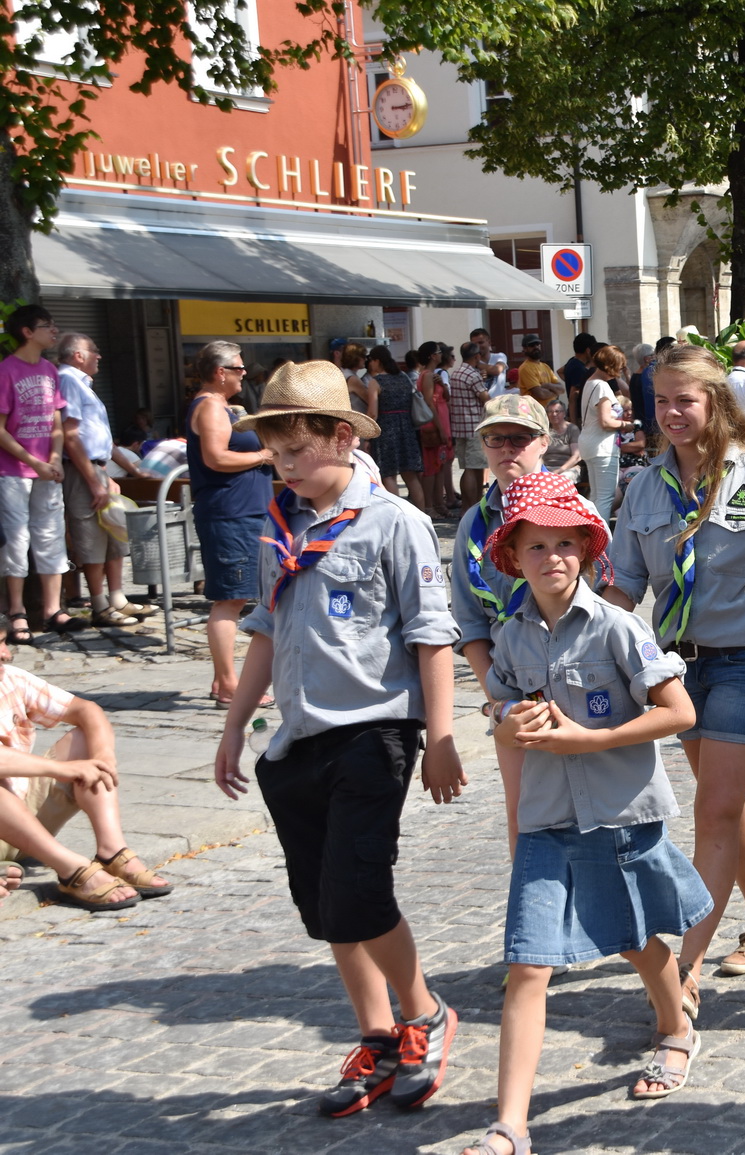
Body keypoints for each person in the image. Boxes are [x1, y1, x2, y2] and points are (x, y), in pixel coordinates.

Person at [214, 360, 463, 1119]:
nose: (282, 464)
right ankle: (377, 1035)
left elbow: (431, 635)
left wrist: (443, 734)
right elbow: (264, 628)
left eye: (294, 449)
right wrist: (233, 726)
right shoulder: (279, 525)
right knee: (325, 908)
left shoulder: (394, 521)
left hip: (374, 732)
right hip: (297, 739)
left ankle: (424, 1013)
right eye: (274, 451)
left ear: (337, 435)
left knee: (359, 891)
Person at [460, 473, 710, 1155]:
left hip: (620, 814)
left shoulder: (621, 628)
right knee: (528, 963)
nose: (552, 558)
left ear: (589, 551)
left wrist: (589, 738)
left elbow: (679, 712)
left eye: (565, 544)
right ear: (513, 557)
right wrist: (513, 720)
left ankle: (675, 1027)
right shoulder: (510, 639)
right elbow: (501, 719)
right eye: (536, 546)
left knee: (632, 937)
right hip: (546, 818)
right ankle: (510, 1123)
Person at [603, 343, 745, 1026]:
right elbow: (623, 586)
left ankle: (686, 967)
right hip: (676, 667)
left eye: (685, 400)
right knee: (722, 803)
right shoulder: (642, 487)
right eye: (661, 399)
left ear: (716, 404)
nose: (670, 412)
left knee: (715, 808)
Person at [451, 395, 570, 859]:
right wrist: (498, 700)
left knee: (593, 818)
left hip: (576, 682)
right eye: (495, 439)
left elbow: (601, 601)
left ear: (543, 443)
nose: (507, 449)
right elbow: (468, 621)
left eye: (519, 438)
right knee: (524, 818)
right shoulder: (473, 526)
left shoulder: (572, 511)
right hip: (513, 689)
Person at [0, 637, 174, 907]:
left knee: (85, 740)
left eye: (3, 642)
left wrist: (102, 755)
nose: (5, 654)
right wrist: (61, 769)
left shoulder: (9, 678)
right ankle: (71, 869)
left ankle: (111, 852)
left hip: (24, 817)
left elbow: (86, 709)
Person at [184, 340, 276, 704]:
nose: (244, 374)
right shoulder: (209, 407)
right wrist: (263, 455)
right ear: (220, 373)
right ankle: (227, 683)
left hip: (248, 510)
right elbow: (216, 458)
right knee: (230, 599)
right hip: (229, 513)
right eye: (238, 369)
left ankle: (230, 681)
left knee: (244, 596)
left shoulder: (225, 406)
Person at [54, 333, 151, 628]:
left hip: (97, 467)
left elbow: (102, 441)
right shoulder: (69, 380)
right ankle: (98, 604)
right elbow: (71, 437)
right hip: (81, 470)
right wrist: (95, 480)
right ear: (78, 355)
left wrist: (122, 472)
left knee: (113, 531)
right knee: (91, 534)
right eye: (94, 351)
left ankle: (117, 598)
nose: (99, 356)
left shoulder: (84, 384)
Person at [0, 305, 79, 644]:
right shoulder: (6, 371)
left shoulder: (49, 370)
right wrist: (34, 463)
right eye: (47, 326)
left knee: (50, 534)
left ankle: (52, 609)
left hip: (49, 469)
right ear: (27, 332)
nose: (54, 330)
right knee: (17, 540)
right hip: (14, 471)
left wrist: (56, 458)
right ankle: (17, 611)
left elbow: (56, 421)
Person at [367, 346, 426, 510]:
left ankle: (398, 513)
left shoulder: (376, 382)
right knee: (411, 476)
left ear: (377, 361)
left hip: (385, 431)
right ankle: (422, 514)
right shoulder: (404, 377)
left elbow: (372, 413)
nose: (370, 364)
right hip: (407, 428)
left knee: (388, 476)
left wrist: (367, 437)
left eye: (370, 360)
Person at [576, 345, 630, 519]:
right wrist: (626, 425)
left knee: (597, 497)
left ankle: (593, 538)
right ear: (612, 365)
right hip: (602, 446)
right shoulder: (603, 387)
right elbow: (606, 422)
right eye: (620, 365)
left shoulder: (590, 383)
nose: (621, 369)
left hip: (589, 444)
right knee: (606, 498)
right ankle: (603, 542)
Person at [415, 342, 455, 517]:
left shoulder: (434, 375)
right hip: (433, 424)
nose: (441, 355)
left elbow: (445, 397)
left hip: (441, 421)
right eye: (439, 352)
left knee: (440, 465)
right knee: (431, 468)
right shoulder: (427, 375)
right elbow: (429, 402)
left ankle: (439, 504)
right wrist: (440, 428)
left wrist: (444, 386)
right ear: (432, 356)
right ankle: (429, 506)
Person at [449, 342, 491, 513]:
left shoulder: (455, 373)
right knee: (476, 469)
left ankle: (466, 507)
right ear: (476, 356)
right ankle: (474, 505)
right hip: (474, 426)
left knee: (466, 468)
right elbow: (486, 398)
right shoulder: (472, 375)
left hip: (459, 427)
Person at [542, 400, 578, 474]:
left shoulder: (572, 429)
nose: (554, 414)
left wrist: (560, 470)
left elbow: (576, 456)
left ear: (564, 413)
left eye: (557, 411)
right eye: (550, 412)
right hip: (547, 468)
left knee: (564, 477)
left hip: (568, 468)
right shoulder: (545, 431)